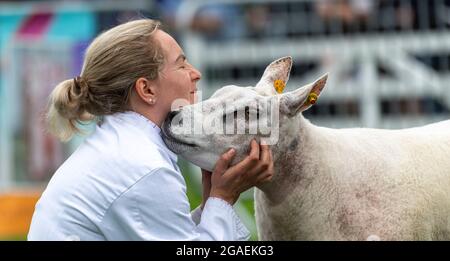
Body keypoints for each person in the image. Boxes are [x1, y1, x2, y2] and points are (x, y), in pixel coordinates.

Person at [27, 19, 273, 240]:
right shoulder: (145, 167)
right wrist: (223, 198)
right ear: (147, 90)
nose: (195, 74)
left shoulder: (127, 149)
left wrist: (212, 203)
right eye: (181, 64)